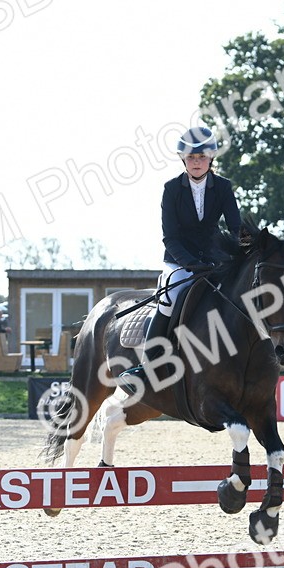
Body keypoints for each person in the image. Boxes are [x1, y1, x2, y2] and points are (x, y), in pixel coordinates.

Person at [118, 126, 241, 395]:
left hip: (214, 261)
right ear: (183, 159)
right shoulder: (172, 189)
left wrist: (241, 252)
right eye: (191, 157)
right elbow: (170, 236)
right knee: (171, 296)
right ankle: (148, 367)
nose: (196, 162)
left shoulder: (224, 187)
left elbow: (235, 227)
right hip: (178, 260)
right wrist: (189, 263)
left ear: (211, 159)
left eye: (202, 157)